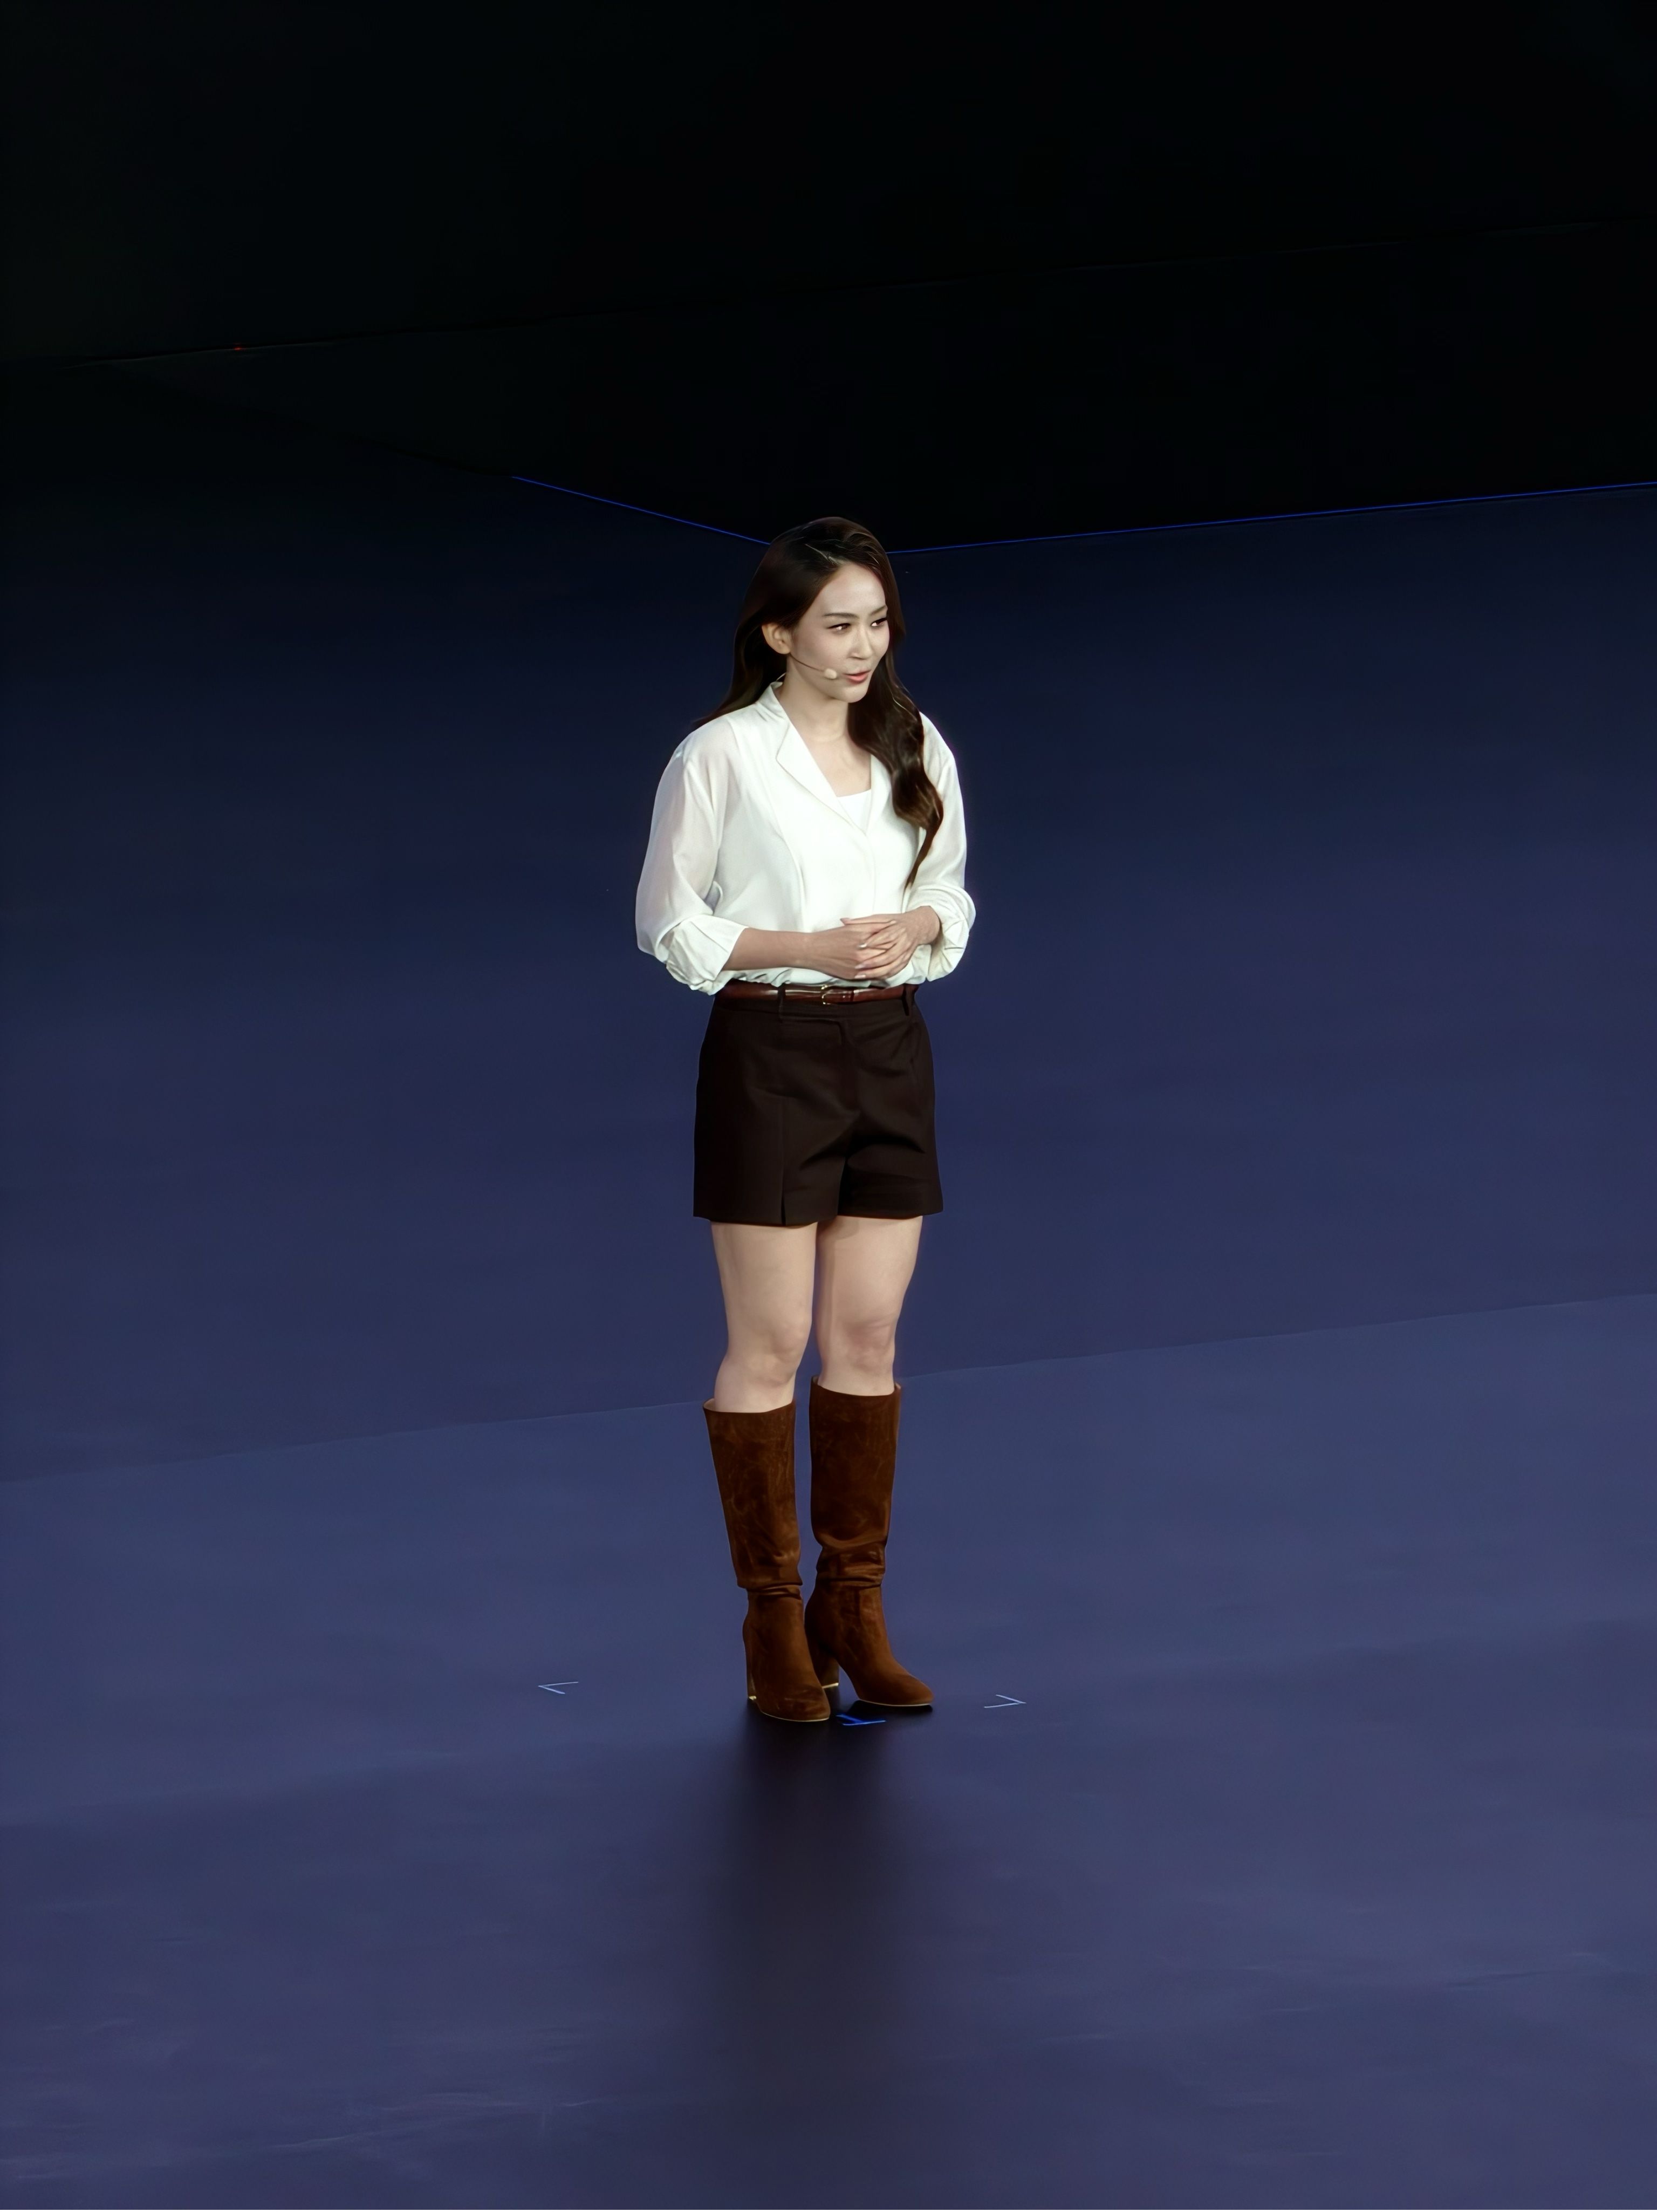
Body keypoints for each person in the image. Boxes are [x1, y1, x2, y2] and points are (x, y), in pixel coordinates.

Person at [635, 517, 975, 1723]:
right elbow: (672, 924)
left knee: (870, 1332)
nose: (862, 646)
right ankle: (771, 1612)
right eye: (837, 625)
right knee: (770, 1340)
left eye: (877, 623)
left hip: (890, 1043)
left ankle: (856, 1605)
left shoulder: (913, 740)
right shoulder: (720, 757)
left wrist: (919, 930)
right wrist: (812, 946)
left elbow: (949, 887)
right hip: (770, 1045)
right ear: (778, 632)